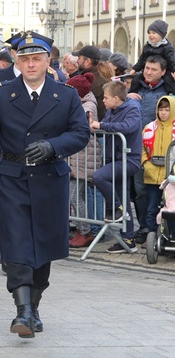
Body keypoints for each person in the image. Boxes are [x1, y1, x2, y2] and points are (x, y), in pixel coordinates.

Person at [0, 31, 89, 338]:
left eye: (37, 59)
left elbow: (80, 133)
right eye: (24, 59)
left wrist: (53, 146)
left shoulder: (66, 95)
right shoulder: (0, 94)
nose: (31, 64)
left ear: (49, 61)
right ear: (17, 62)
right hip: (12, 178)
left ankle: (33, 307)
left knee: (44, 250)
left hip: (50, 179)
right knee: (17, 244)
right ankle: (22, 311)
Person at [91, 81, 142, 253]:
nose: (103, 101)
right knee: (123, 196)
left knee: (99, 177)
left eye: (105, 98)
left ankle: (116, 208)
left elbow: (128, 127)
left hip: (129, 159)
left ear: (116, 98)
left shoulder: (132, 108)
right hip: (114, 158)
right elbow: (105, 126)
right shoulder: (112, 110)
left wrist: (102, 126)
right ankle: (128, 240)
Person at [127, 55, 169, 244]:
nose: (149, 72)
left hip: (163, 150)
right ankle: (145, 228)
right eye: (147, 68)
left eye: (154, 69)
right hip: (138, 148)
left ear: (163, 72)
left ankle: (164, 230)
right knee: (140, 190)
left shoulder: (167, 92)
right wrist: (126, 97)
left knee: (164, 194)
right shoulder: (136, 88)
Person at [66, 73, 103, 248]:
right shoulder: (81, 103)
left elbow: (76, 125)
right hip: (78, 157)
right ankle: (83, 229)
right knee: (73, 195)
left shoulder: (87, 107)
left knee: (74, 195)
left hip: (83, 157)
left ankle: (85, 231)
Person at [140, 96, 175, 239]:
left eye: (167, 110)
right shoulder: (149, 127)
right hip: (153, 174)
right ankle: (152, 236)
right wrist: (145, 164)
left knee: (171, 209)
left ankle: (172, 235)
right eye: (161, 109)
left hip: (171, 178)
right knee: (151, 208)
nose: (163, 113)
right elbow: (142, 149)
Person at [128, 19, 175, 94]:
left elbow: (172, 60)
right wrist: (135, 69)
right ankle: (132, 94)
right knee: (136, 80)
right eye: (149, 33)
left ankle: (172, 94)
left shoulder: (167, 48)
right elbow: (142, 59)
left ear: (161, 35)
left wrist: (174, 70)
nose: (151, 35)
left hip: (164, 71)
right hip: (147, 71)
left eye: (154, 33)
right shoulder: (147, 46)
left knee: (168, 81)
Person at [73, 45, 109, 120]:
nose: (77, 61)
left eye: (79, 58)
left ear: (87, 61)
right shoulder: (99, 78)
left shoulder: (88, 81)